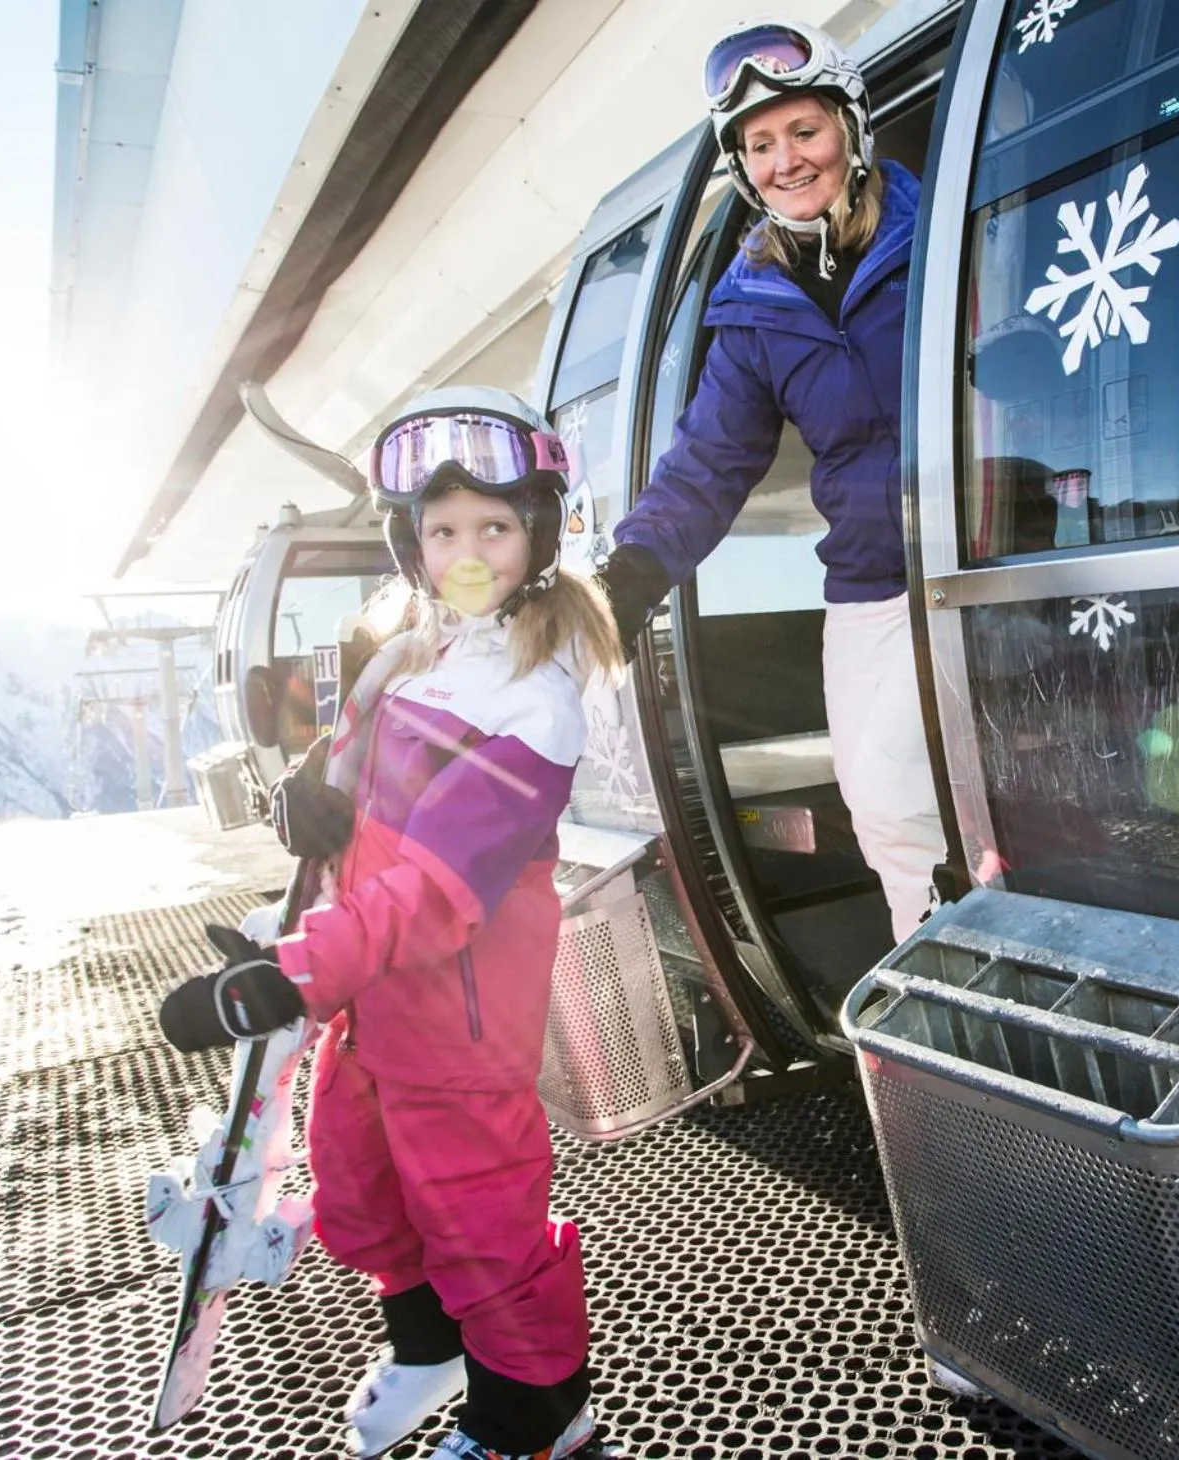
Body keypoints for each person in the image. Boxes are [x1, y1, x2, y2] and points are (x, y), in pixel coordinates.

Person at [158, 386, 623, 1460]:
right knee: (363, 1189)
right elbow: (361, 771)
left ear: (539, 535)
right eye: (445, 527)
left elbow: (436, 888)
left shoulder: (530, 699)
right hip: (372, 998)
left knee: (479, 1227)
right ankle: (427, 1349)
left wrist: (291, 977)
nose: (471, 548)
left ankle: (536, 1422)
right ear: (413, 545)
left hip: (455, 1022)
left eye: (496, 526)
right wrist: (313, 792)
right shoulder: (416, 645)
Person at [595, 18, 946, 943]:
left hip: (975, 563)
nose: (786, 161)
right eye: (759, 146)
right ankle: (950, 998)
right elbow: (709, 462)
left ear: (852, 128)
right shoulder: (754, 309)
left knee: (955, 808)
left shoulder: (945, 231)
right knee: (884, 814)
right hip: (871, 587)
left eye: (804, 131)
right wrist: (630, 573)